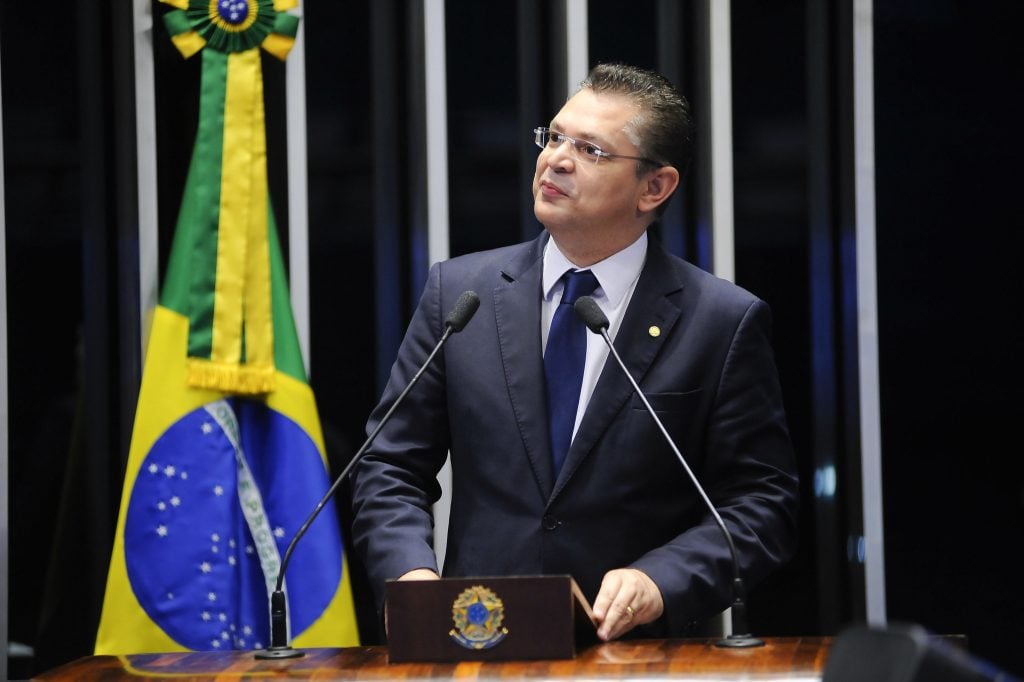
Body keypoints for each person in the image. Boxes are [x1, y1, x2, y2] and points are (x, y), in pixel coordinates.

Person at [349, 63, 799, 642]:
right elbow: (390, 464)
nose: (556, 160)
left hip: (636, 653)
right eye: (555, 137)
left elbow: (762, 503)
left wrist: (660, 580)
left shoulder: (720, 321)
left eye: (590, 149)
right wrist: (408, 577)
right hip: (476, 641)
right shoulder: (462, 295)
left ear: (655, 187)